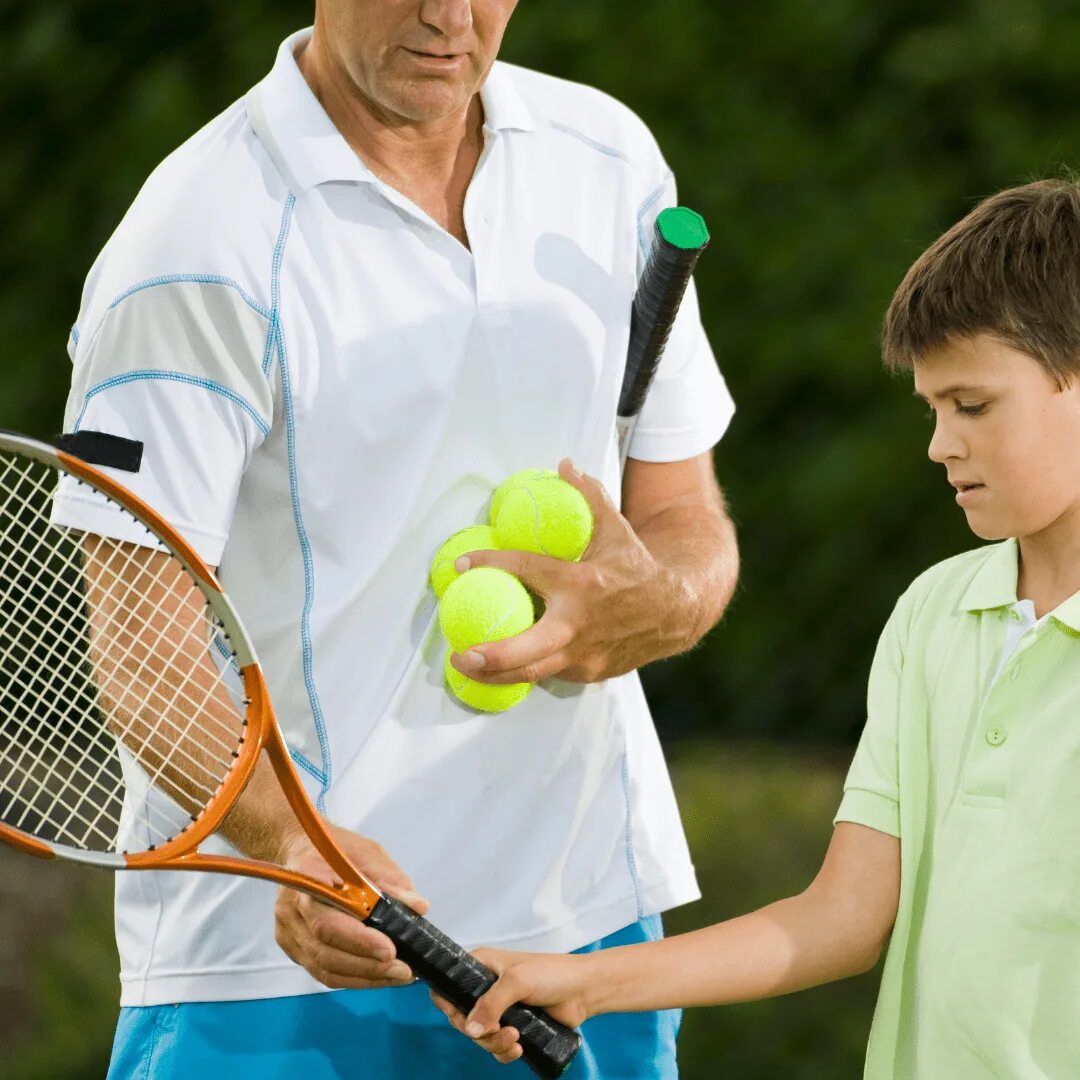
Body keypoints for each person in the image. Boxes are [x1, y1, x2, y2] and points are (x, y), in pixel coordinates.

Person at [57, 2, 739, 1076]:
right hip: (280, 980)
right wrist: (293, 847)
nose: (447, 17)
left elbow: (682, 510)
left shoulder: (609, 161)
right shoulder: (192, 240)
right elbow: (141, 640)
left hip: (586, 940)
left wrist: (671, 600)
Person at [435, 177, 1080, 1079]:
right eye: (931, 409)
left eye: (972, 406)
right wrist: (586, 983)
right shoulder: (932, 616)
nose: (940, 443)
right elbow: (841, 917)